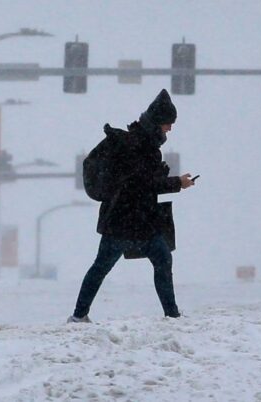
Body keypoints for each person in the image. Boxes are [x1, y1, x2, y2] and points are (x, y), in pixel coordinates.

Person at [68, 89, 195, 323]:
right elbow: (144, 184)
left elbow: (138, 181)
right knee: (156, 260)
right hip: (131, 220)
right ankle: (171, 315)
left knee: (109, 265)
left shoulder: (136, 143)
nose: (170, 128)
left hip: (125, 219)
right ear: (157, 123)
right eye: (168, 123)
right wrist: (178, 182)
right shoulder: (140, 147)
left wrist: (161, 174)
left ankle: (79, 314)